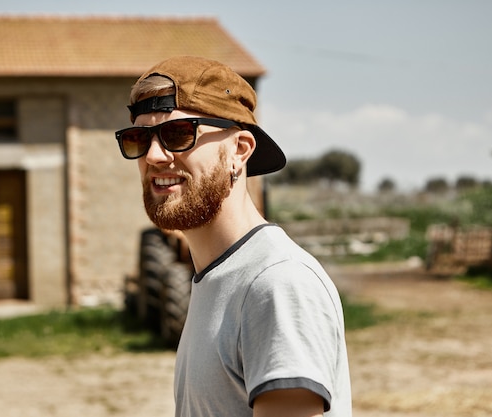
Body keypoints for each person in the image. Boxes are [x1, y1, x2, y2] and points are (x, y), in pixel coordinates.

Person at [115, 55, 352, 417]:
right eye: (138, 139)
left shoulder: (276, 284)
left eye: (179, 134)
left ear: (239, 150)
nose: (154, 155)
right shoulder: (216, 279)